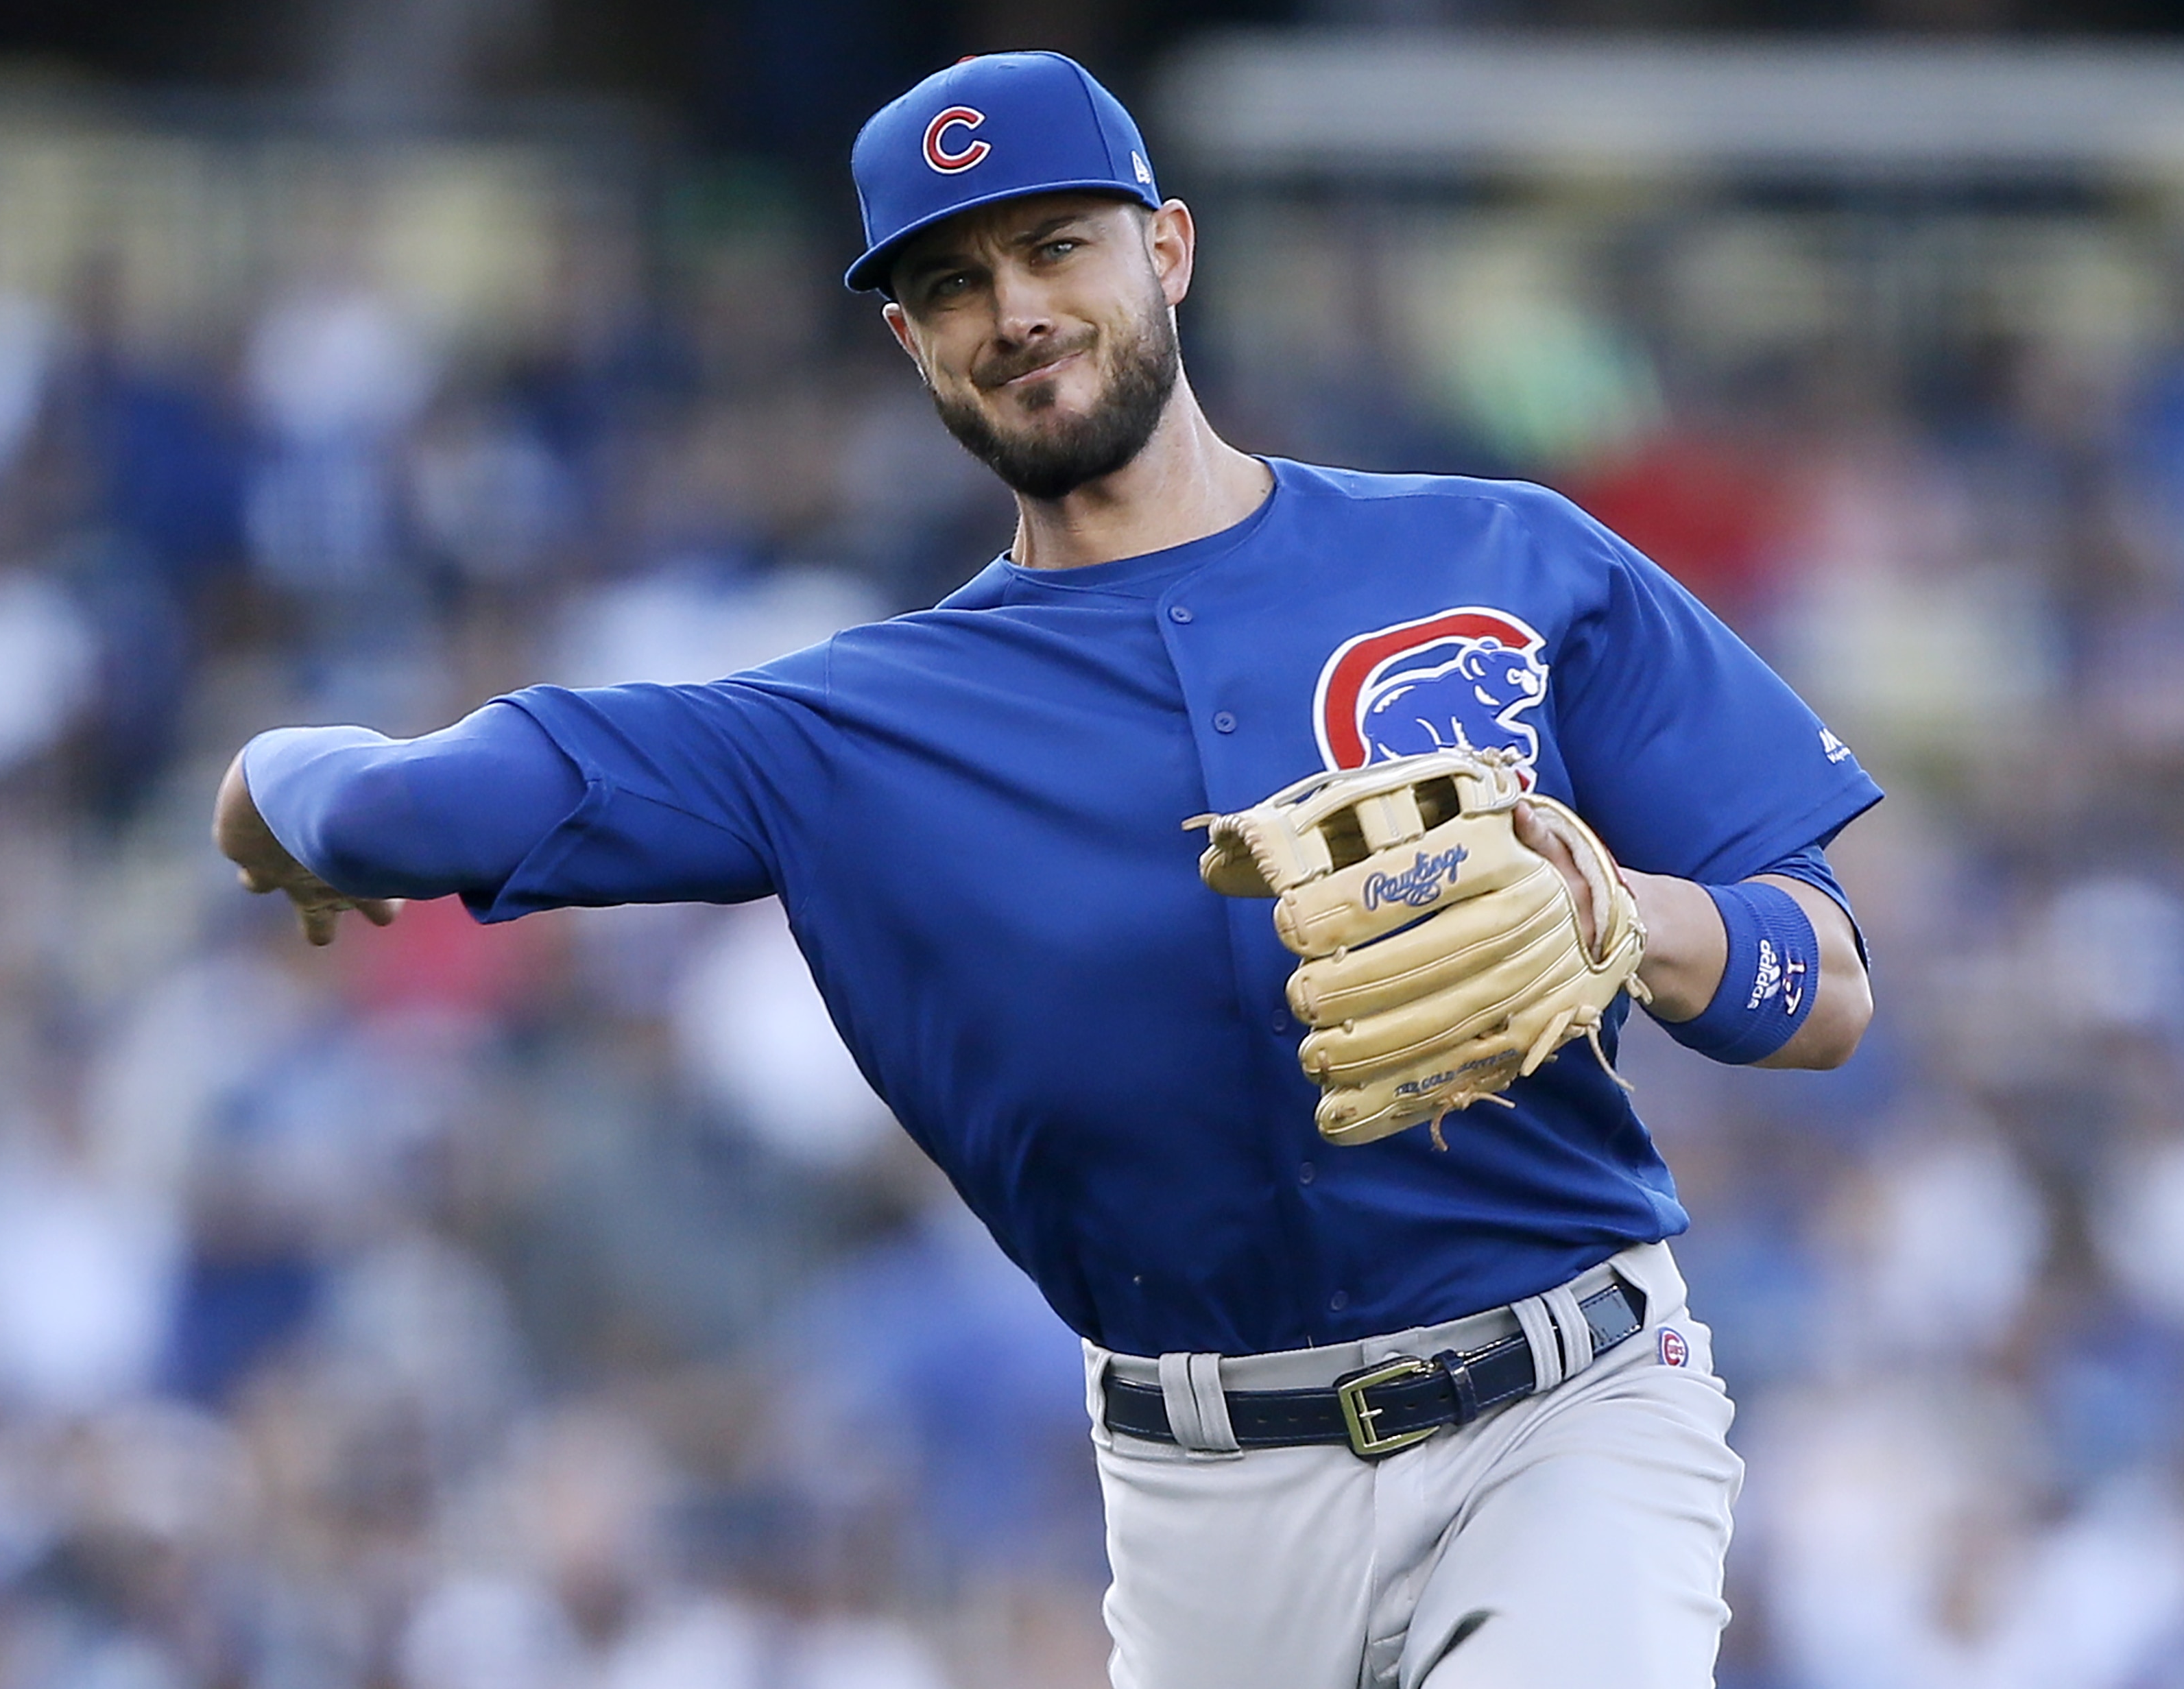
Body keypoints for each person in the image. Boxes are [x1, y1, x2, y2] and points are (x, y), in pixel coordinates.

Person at [213, 52, 1880, 1689]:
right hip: (1205, 1497)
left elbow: (1826, 981)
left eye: (1055, 244)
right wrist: (266, 791)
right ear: (908, 341)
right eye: (952, 281)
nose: (1013, 307)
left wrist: (1626, 917)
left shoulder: (1500, 553)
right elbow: (415, 800)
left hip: (1570, 1409)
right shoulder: (855, 728)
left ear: (1170, 248)